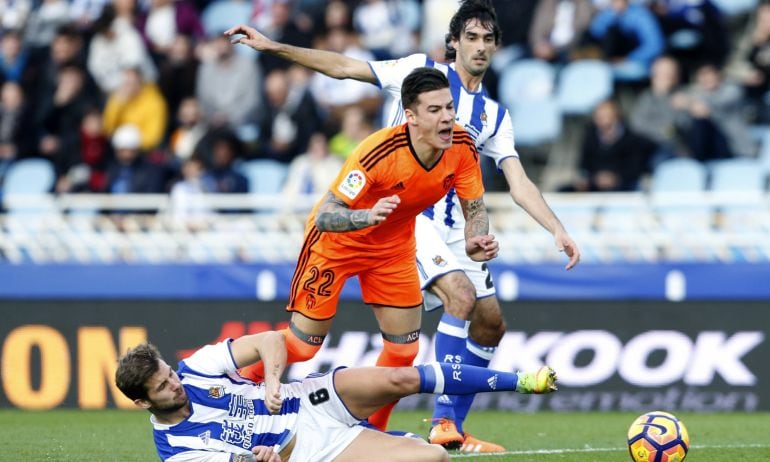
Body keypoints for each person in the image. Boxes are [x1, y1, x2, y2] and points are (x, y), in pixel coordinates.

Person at [226, 0, 580, 452]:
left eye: (488, 39)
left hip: (450, 225)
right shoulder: (417, 71)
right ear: (453, 42)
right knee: (458, 299)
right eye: (470, 37)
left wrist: (556, 228)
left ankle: (416, 428)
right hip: (404, 218)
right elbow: (343, 67)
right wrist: (274, 47)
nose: (480, 47)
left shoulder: (493, 117)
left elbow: (517, 180)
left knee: (490, 324)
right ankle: (442, 423)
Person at [236, 66, 499, 432]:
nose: (447, 118)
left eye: (449, 108)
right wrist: (366, 217)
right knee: (302, 345)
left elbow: (475, 209)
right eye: (434, 110)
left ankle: (370, 434)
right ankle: (229, 383)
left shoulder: (462, 146)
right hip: (336, 246)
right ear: (410, 116)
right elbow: (327, 215)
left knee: (404, 353)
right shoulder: (379, 152)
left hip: (392, 249)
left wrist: (476, 237)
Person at [115, 330, 558, 462]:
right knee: (431, 460)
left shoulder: (195, 369)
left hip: (308, 397)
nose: (175, 384)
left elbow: (270, 340)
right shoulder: (177, 452)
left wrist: (271, 381)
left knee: (401, 378)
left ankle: (521, 381)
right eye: (163, 387)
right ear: (143, 402)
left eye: (170, 374)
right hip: (308, 450)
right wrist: (265, 459)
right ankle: (409, 440)